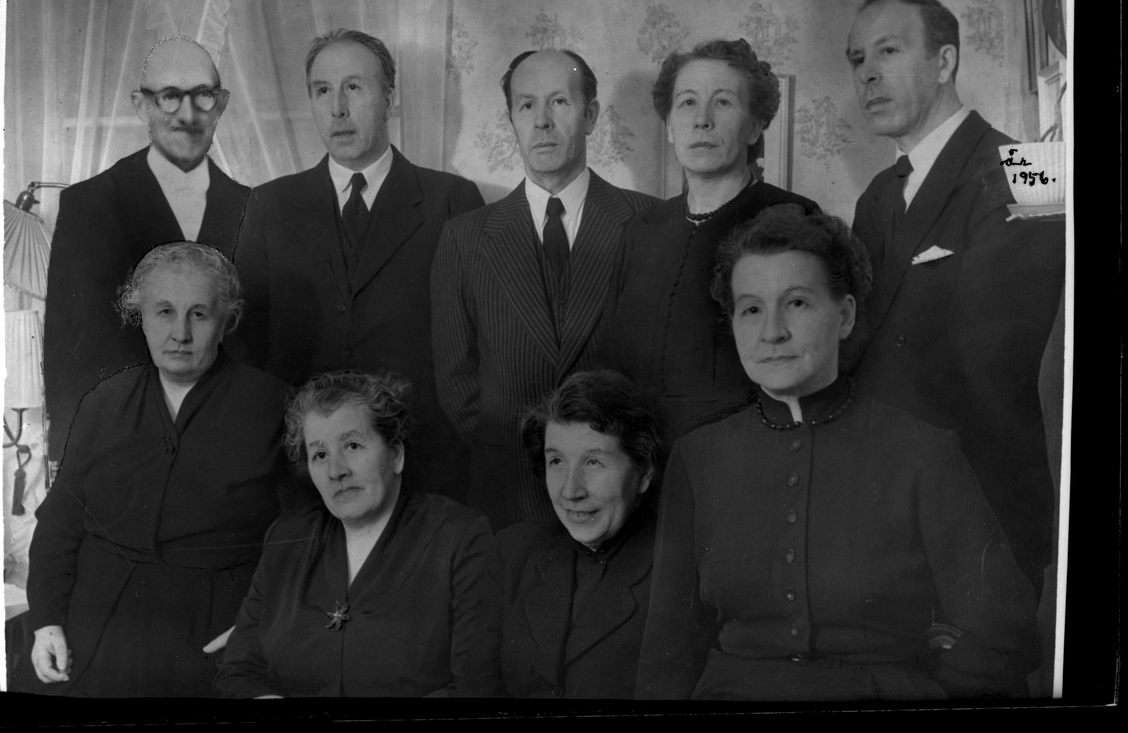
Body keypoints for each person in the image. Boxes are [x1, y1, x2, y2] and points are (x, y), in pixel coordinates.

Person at [637, 206, 1040, 700]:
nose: (772, 332)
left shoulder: (922, 453)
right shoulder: (698, 458)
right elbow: (667, 656)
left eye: (797, 303)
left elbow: (1003, 640)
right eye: (751, 309)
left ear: (845, 315)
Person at [845, 0, 1065, 594]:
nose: (867, 73)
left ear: (944, 62)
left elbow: (996, 367)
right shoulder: (877, 195)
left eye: (889, 51)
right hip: (884, 495)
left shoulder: (1027, 169)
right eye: (858, 58)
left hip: (981, 502)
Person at [27, 242, 302, 697]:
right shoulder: (104, 402)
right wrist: (46, 621)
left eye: (199, 314)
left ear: (228, 321)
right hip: (98, 628)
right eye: (164, 312)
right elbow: (60, 522)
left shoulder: (273, 405)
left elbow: (305, 534)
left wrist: (261, 621)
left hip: (216, 632)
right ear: (141, 316)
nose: (180, 334)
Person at [230, 30, 484, 503]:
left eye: (353, 87)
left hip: (424, 466)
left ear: (389, 98)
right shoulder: (269, 205)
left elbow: (477, 345)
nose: (337, 109)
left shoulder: (451, 200)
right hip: (307, 472)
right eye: (322, 90)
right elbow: (245, 346)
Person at [432, 49, 658, 531]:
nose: (542, 121)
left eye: (559, 102)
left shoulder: (647, 222)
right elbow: (456, 380)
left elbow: (656, 367)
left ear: (590, 115)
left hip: (616, 492)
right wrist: (530, 456)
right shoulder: (465, 237)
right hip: (508, 488)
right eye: (526, 105)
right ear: (511, 119)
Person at [215, 371, 501, 697]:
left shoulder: (460, 539)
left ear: (396, 454)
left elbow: (475, 689)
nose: (336, 471)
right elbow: (240, 670)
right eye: (320, 454)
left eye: (352, 445)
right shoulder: (288, 536)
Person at [600, 39, 818, 439]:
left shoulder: (791, 218)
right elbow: (612, 361)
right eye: (687, 103)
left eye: (722, 102)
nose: (701, 120)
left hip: (746, 451)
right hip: (643, 457)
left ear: (755, 126)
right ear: (669, 127)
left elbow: (806, 364)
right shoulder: (641, 229)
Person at [44, 36, 247, 464]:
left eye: (203, 95)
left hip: (230, 451)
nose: (188, 115)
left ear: (222, 104)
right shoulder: (89, 205)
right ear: (141, 106)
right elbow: (72, 353)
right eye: (170, 96)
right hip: (124, 454)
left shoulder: (254, 207)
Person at [495, 369, 663, 699]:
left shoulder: (678, 572)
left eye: (593, 462)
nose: (571, 491)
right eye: (557, 461)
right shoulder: (513, 551)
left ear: (643, 473)